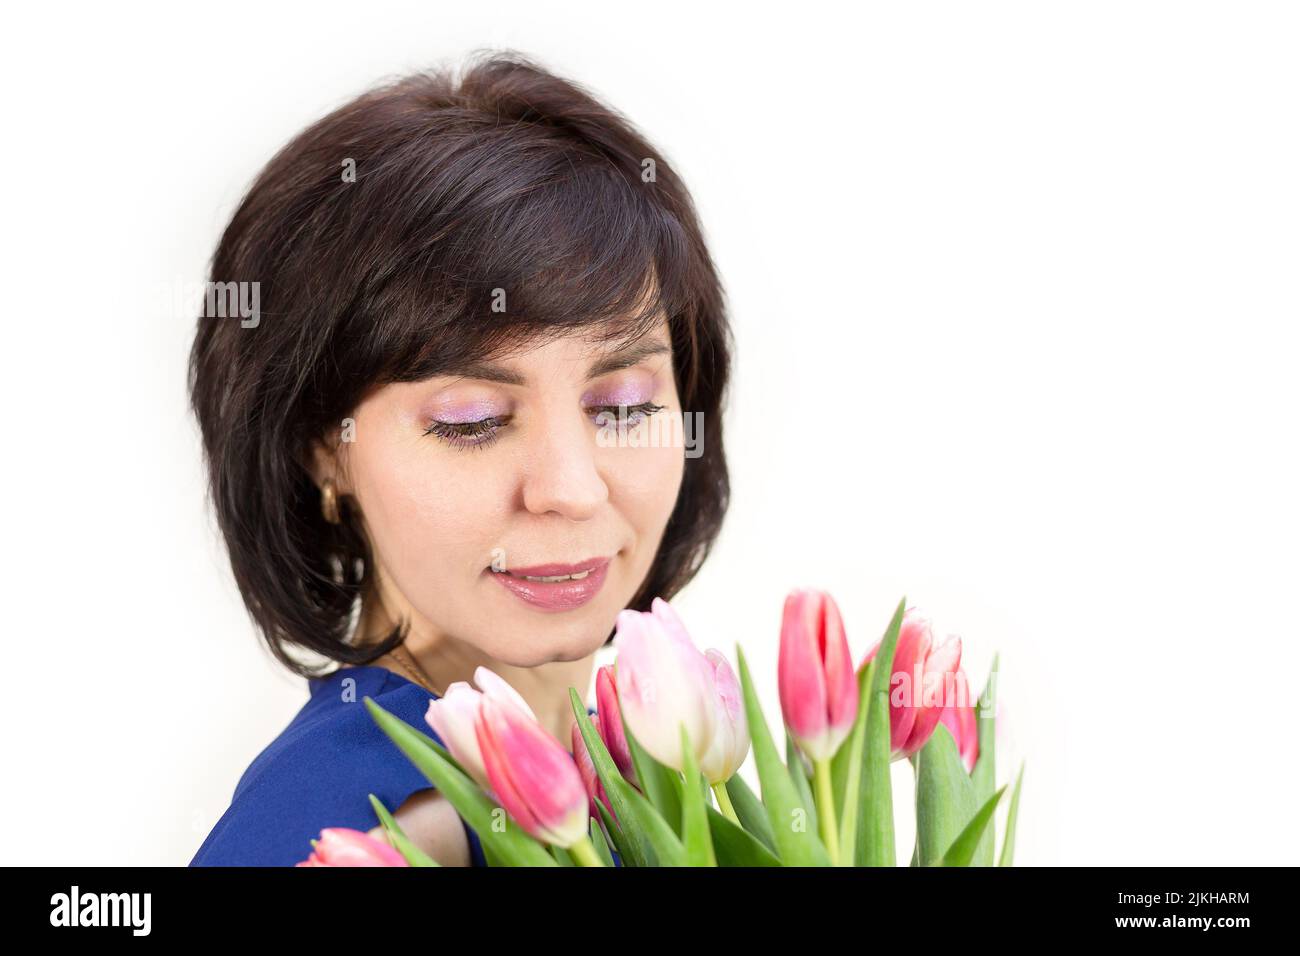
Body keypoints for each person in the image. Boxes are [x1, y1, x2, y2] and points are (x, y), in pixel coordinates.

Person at [187, 49, 733, 865]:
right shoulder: (364, 832)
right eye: (472, 420)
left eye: (622, 406)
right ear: (321, 452)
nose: (572, 490)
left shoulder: (633, 779)